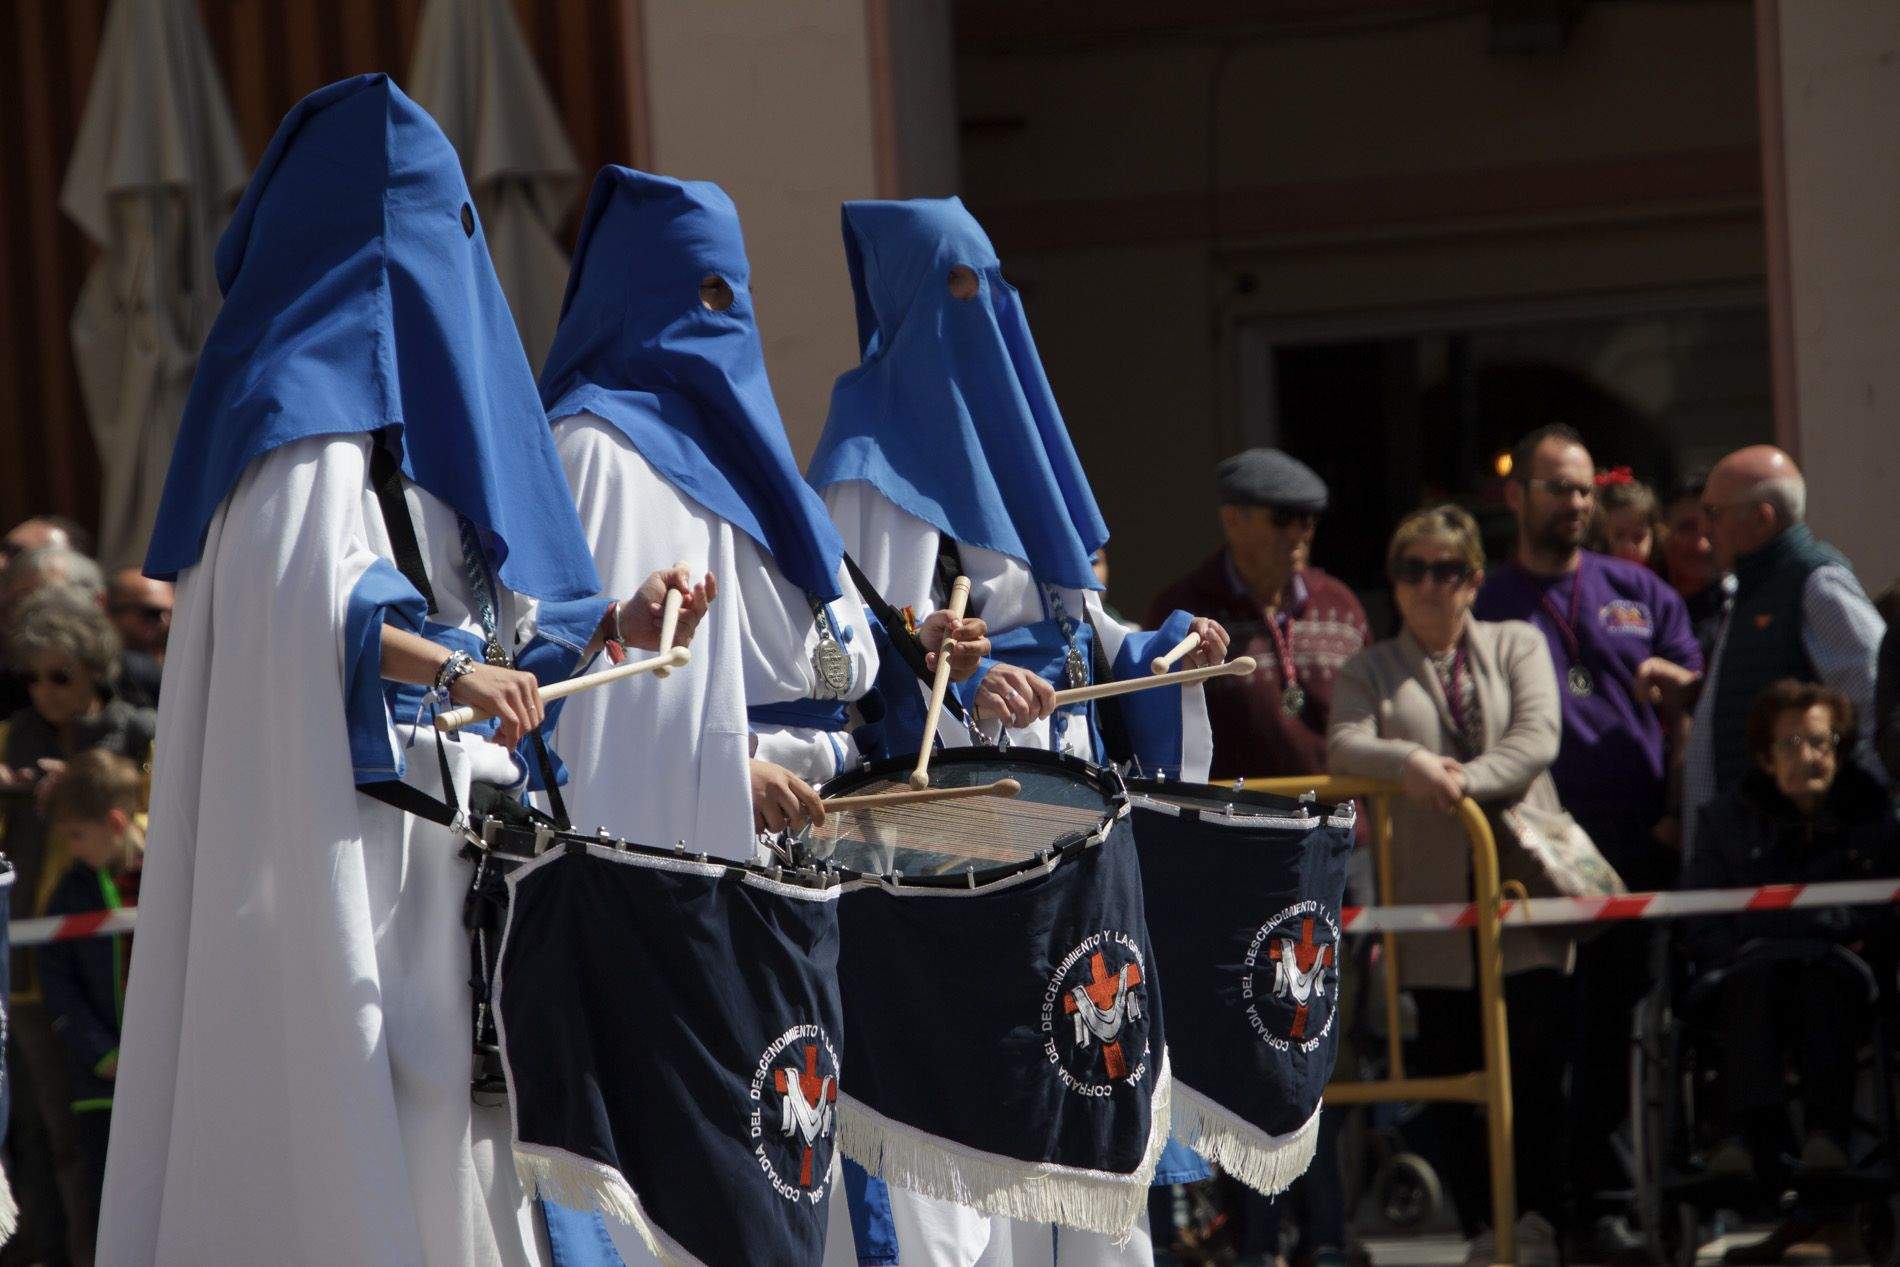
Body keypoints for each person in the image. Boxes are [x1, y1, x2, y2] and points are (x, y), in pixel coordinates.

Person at [98, 76, 704, 1266]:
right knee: (390, 1122)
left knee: (470, 1137)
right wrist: (453, 669)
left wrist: (611, 624)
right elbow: (301, 608)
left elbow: (485, 614)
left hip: (454, 869)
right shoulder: (297, 415)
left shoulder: (422, 435)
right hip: (358, 860)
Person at [809, 195, 1229, 1267]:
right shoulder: (864, 467)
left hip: (1070, 802)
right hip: (959, 819)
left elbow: (1083, 626)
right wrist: (957, 679)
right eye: (955, 288)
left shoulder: (1023, 445)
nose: (978, 310)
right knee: (977, 1095)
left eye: (987, 286)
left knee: (1077, 1062)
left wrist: (1162, 651)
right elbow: (855, 653)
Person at [541, 168, 986, 864]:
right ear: (634, 293)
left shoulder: (752, 457)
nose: (720, 311)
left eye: (731, 290)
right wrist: (724, 777)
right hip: (713, 843)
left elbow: (812, 632)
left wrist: (908, 642)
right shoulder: (595, 451)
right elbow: (603, 687)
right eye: (701, 289)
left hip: (833, 828)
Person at [1473, 425, 1701, 1253]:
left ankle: (1604, 1203)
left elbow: (1697, 710)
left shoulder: (1638, 589)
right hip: (1525, 849)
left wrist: (1681, 692)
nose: (1573, 504)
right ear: (1517, 496)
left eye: (1582, 490)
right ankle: (1537, 1204)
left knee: (1613, 1026)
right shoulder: (1485, 600)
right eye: (1556, 488)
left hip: (1628, 842)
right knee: (1535, 1031)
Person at [1329, 504, 1571, 1267]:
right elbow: (1344, 741)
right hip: (1432, 911)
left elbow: (1538, 735)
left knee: (1535, 1069)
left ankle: (1537, 1221)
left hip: (1523, 896)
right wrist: (1407, 765)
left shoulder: (1516, 641)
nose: (1429, 586)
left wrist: (1459, 781)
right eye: (1412, 571)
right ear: (1395, 585)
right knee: (1447, 1070)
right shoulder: (1368, 666)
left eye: (1446, 570)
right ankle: (1480, 1229)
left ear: (1473, 578)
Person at [1679, 680, 1897, 1183]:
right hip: (1749, 968)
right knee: (1748, 984)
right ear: (1765, 758)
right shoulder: (1725, 823)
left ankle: (1828, 1137)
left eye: (1821, 742)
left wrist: (1842, 934)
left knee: (1829, 983)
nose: (1808, 757)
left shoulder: (1871, 816)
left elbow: (1883, 906)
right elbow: (1698, 913)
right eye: (1791, 744)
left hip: (1838, 969)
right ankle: (1744, 1139)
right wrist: (1739, 949)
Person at [1, 587, 154, 1266]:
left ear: (94, 668)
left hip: (108, 967)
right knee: (42, 1133)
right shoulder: (13, 737)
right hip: (30, 964)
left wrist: (97, 782)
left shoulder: (140, 733)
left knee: (115, 1142)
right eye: (31, 676)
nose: (44, 691)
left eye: (59, 674)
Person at [1682, 445, 1887, 860]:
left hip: (1797, 853)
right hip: (1745, 847)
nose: (1704, 530)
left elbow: (1874, 703)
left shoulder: (1816, 585)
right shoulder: (1749, 589)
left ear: (1762, 519)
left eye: (1715, 514)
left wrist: (1848, 819)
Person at [1145, 449, 1370, 782]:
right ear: (1232, 519)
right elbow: (1156, 724)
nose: (1298, 534)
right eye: (1282, 518)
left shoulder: (1342, 607)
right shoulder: (1182, 612)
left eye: (1307, 520)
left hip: (1339, 822)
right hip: (1232, 825)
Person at [37, 749, 146, 1239]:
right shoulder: (69, 895)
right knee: (107, 1207)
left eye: (77, 835)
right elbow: (59, 990)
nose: (72, 849)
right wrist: (103, 1054)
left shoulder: (173, 877)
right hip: (103, 1089)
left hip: (169, 1080)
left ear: (115, 821)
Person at [1659, 473, 1731, 663]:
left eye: (1710, 529)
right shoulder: (1641, 604)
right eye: (1687, 528)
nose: (1701, 545)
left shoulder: (1736, 604)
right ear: (1661, 531)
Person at [103, 568, 172, 708]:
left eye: (172, 613)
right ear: (110, 611)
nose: (166, 622)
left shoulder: (184, 667)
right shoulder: (96, 673)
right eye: (152, 613)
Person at [1586, 468, 1662, 568]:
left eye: (1638, 537)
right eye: (1619, 536)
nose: (1628, 548)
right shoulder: (1597, 577)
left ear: (1654, 534)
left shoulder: (1663, 575)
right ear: (1603, 535)